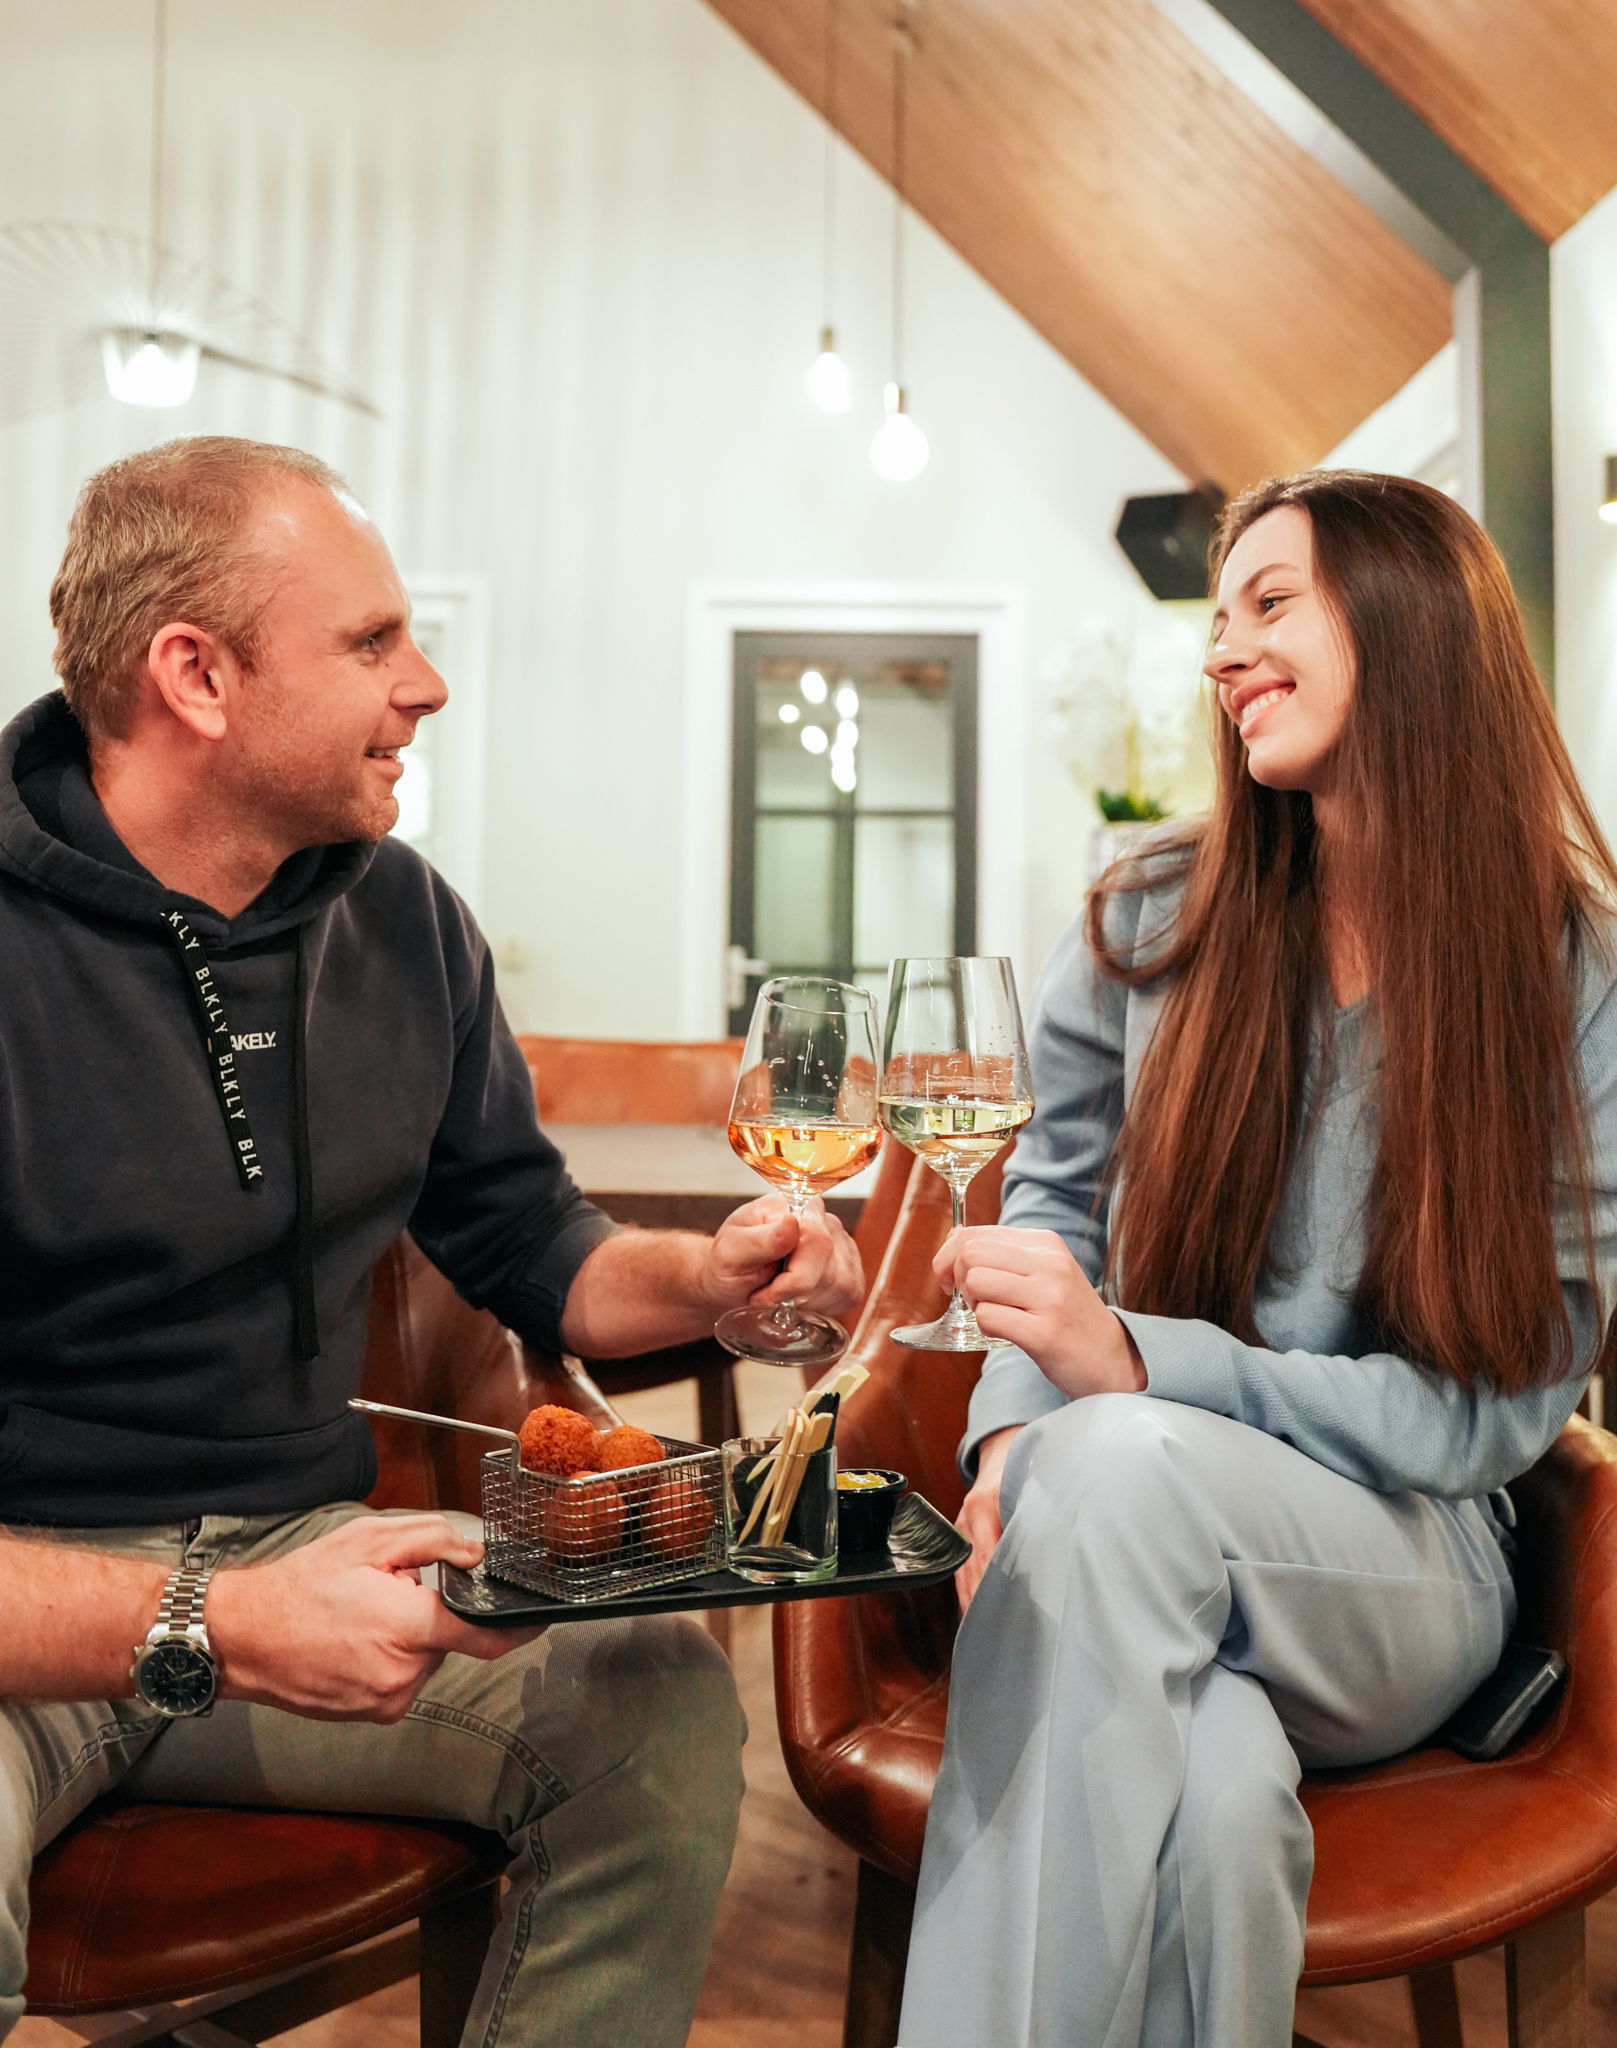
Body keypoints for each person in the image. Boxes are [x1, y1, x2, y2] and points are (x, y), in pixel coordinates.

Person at [0, 435, 863, 2048]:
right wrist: (218, 1621)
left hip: (301, 1550)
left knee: (652, 1699)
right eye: (371, 641)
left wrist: (712, 1283)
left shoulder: (402, 918)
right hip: (24, 1606)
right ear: (196, 676)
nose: (429, 684)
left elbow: (533, 1238)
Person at [897, 470, 1617, 2048]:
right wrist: (1010, 1453)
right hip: (1117, 1512)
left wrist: (1134, 1371)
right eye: (1218, 617)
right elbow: (1051, 1215)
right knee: (1210, 1811)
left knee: (1116, 1460)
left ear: (1412, 626)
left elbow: (1490, 1414)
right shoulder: (1148, 914)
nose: (1221, 651)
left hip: (1401, 1564)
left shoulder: (1575, 972)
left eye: (1268, 603)